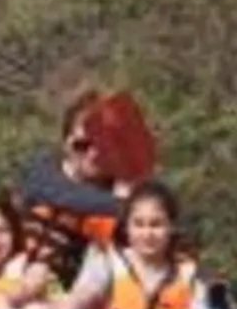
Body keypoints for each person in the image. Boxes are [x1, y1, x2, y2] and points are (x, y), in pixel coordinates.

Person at [15, 88, 147, 288]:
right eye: (82, 145)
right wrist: (121, 205)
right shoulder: (41, 172)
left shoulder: (126, 192)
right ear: (66, 142)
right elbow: (59, 194)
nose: (93, 154)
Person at [62, 182, 229, 309]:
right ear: (127, 228)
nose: (147, 234)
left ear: (171, 227)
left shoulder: (190, 275)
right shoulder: (107, 263)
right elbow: (79, 301)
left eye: (156, 224)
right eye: (139, 224)